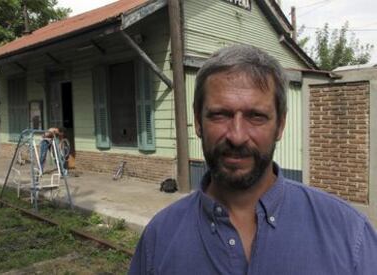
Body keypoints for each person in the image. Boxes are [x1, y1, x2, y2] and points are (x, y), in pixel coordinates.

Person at [128, 45, 377, 274]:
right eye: (220, 115)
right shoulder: (159, 238)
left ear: (280, 124)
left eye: (256, 116)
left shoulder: (348, 234)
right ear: (198, 121)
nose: (237, 136)